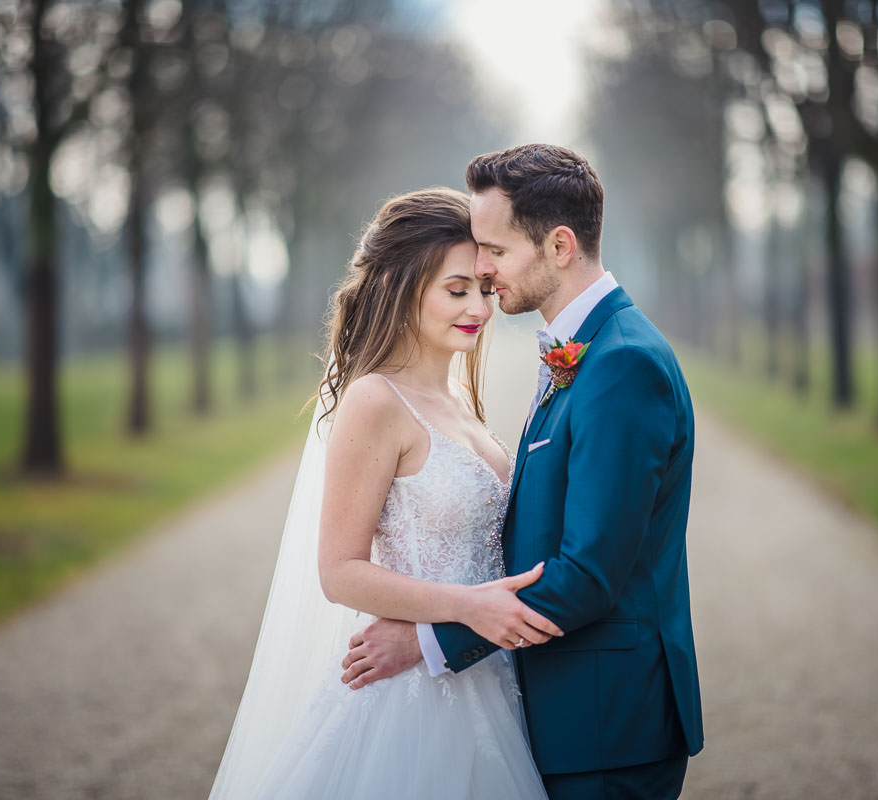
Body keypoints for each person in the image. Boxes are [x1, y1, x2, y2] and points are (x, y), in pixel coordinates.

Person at [341, 145, 704, 800]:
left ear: (559, 245)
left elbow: (589, 575)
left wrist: (430, 641)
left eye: (496, 252)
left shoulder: (621, 363)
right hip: (559, 709)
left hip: (605, 721)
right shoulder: (583, 347)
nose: (482, 269)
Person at [207, 187, 557, 800]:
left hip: (487, 680)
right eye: (456, 290)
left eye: (481, 287)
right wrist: (467, 608)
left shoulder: (458, 403)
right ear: (402, 289)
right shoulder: (375, 401)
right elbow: (340, 572)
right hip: (411, 703)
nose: (478, 305)